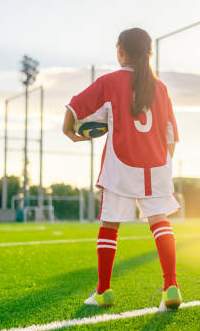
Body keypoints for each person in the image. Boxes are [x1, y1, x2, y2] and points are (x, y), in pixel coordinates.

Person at [62, 28, 182, 311]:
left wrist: (69, 130)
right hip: (156, 166)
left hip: (121, 166)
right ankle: (171, 285)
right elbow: (171, 136)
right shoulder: (160, 87)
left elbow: (74, 107)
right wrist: (160, 165)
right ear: (148, 53)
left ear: (120, 50)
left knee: (110, 225)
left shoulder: (111, 82)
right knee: (159, 220)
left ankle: (104, 291)